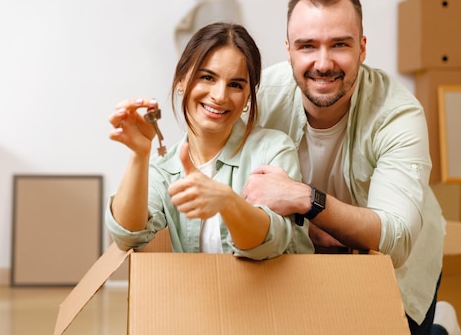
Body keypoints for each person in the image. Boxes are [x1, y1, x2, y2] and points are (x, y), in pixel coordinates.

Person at [241, 0, 459, 335]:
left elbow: (396, 236)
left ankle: (440, 328)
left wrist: (305, 200)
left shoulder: (398, 113)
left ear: (362, 48)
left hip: (393, 267)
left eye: (339, 45)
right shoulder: (261, 100)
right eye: (307, 45)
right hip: (298, 257)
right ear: (289, 50)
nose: (323, 63)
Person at [105, 22, 313, 260]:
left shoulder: (273, 150)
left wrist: (227, 202)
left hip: (276, 297)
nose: (220, 96)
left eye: (235, 85)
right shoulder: (164, 169)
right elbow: (128, 236)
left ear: (248, 96)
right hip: (202, 296)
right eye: (207, 77)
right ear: (182, 80)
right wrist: (139, 154)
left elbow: (268, 243)